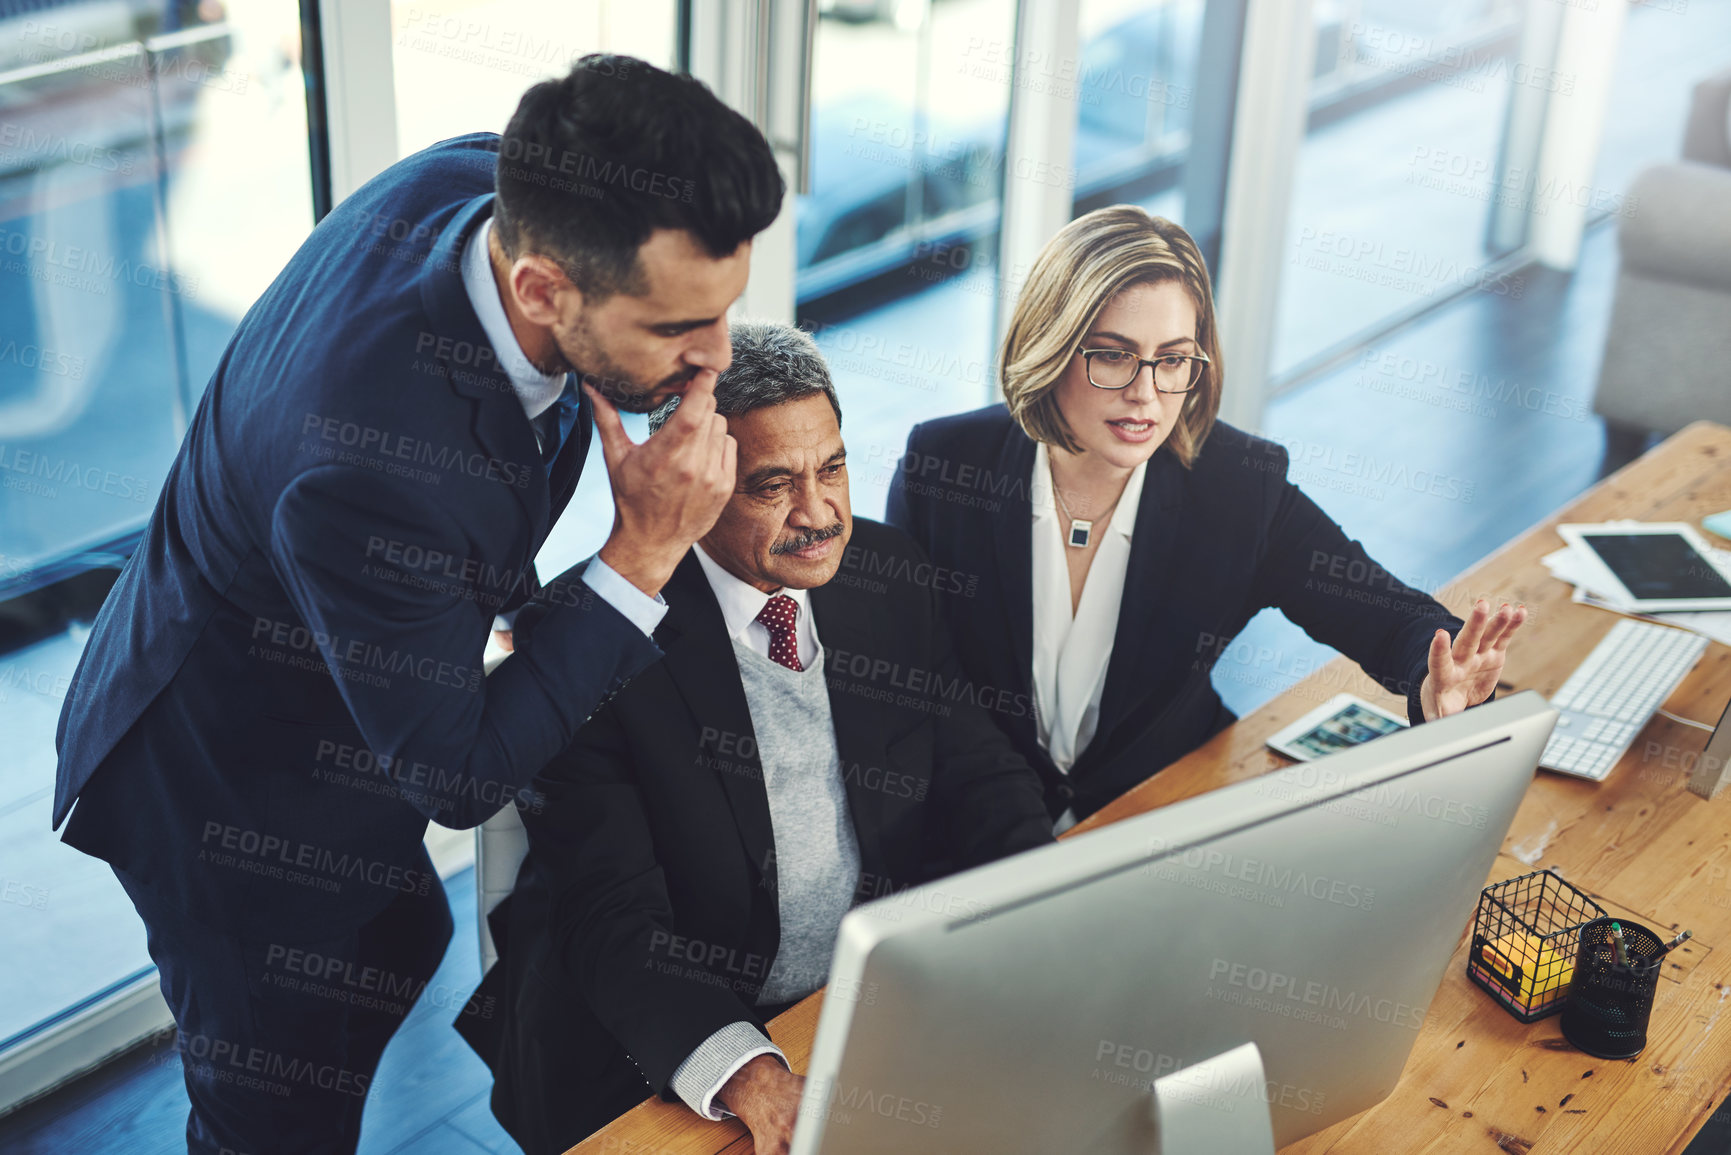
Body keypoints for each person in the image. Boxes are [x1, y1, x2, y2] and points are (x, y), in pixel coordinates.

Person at [50, 55, 783, 1154]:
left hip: (341, 694)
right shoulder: (372, 467)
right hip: (229, 796)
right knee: (276, 1110)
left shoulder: (481, 186)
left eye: (724, 311)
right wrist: (641, 553)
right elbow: (456, 778)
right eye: (678, 330)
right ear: (542, 291)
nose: (718, 358)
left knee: (397, 935)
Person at [458, 321, 1055, 1155]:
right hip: (661, 1049)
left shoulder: (888, 574)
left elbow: (979, 771)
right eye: (774, 485)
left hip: (850, 1001)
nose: (820, 514)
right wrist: (749, 1071)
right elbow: (613, 919)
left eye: (834, 467)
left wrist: (1054, 903)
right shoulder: (584, 640)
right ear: (697, 485)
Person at [887, 206, 1527, 831]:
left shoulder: (1238, 486)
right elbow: (921, 689)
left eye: (1172, 359)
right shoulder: (941, 468)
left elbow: (1390, 619)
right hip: (984, 819)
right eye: (1112, 355)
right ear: (1050, 346)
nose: (1146, 393)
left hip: (1170, 796)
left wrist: (1439, 680)